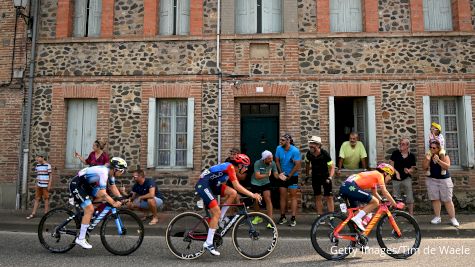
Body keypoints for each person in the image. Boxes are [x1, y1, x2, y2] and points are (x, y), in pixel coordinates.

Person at [195, 154, 262, 256]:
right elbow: (237, 185)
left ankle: (220, 218)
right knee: (216, 211)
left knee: (233, 193)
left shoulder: (232, 170)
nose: (246, 169)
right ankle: (208, 243)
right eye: (245, 167)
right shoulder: (230, 167)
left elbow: (234, 188)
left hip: (212, 185)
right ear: (240, 165)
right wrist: (252, 195)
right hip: (204, 184)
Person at [69, 157, 127, 249]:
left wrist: (121, 198)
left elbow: (112, 187)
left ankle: (87, 217)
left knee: (100, 198)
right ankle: (80, 238)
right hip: (77, 185)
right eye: (122, 171)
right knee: (90, 208)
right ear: (116, 169)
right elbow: (104, 193)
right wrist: (113, 203)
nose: (122, 173)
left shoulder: (110, 173)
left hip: (86, 184)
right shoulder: (104, 172)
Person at [339, 163, 404, 231]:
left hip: (346, 187)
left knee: (356, 213)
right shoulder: (379, 175)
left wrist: (382, 201)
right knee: (375, 202)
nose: (390, 178)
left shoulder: (373, 176)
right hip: (350, 187)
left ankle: (355, 237)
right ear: (385, 173)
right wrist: (395, 204)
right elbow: (385, 192)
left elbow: (374, 193)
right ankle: (357, 219)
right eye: (390, 176)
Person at [422, 140, 459, 227]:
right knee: (435, 199)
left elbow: (447, 166)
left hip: (444, 180)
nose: (432, 149)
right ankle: (437, 217)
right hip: (432, 180)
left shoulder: (444, 155)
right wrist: (427, 160)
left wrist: (438, 160)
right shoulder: (428, 155)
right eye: (430, 147)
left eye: (434, 148)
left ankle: (453, 218)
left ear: (438, 148)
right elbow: (424, 167)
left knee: (447, 200)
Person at [303, 136, 335, 217]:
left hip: (325, 177)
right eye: (310, 143)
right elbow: (307, 163)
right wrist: (307, 175)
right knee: (317, 196)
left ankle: (331, 217)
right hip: (315, 177)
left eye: (312, 144)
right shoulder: (309, 153)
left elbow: (332, 167)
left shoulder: (324, 154)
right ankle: (320, 216)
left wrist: (330, 177)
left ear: (318, 145)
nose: (310, 145)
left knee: (329, 197)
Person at [250, 150, 284, 225]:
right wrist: (267, 175)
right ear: (264, 159)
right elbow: (257, 176)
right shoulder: (257, 163)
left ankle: (270, 220)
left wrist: (279, 176)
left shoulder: (273, 163)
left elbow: (275, 175)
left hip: (265, 183)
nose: (271, 160)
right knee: (256, 200)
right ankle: (257, 217)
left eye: (272, 158)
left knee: (268, 199)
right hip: (256, 183)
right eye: (269, 158)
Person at [275, 134, 301, 227]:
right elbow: (277, 160)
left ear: (288, 141)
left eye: (282, 140)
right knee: (282, 196)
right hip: (283, 175)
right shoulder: (279, 148)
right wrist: (280, 172)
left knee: (293, 196)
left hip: (292, 176)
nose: (280, 142)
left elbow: (298, 164)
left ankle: (293, 218)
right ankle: (283, 217)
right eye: (280, 140)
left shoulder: (295, 150)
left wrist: (289, 175)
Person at [389, 137, 416, 215]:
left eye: (403, 144)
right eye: (400, 144)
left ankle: (411, 215)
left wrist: (409, 170)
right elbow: (391, 166)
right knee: (395, 197)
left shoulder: (411, 156)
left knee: (409, 197)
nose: (401, 145)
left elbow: (413, 168)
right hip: (395, 179)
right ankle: (396, 214)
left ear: (407, 146)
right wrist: (396, 173)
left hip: (406, 178)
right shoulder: (395, 153)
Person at [26, 152, 52, 220]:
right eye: (37, 157)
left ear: (43, 157)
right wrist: (36, 184)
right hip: (39, 185)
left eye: (38, 157)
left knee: (46, 199)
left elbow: (50, 176)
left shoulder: (48, 165)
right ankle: (33, 213)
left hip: (45, 185)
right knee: (37, 198)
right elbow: (38, 175)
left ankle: (46, 214)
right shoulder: (37, 166)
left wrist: (49, 184)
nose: (37, 158)